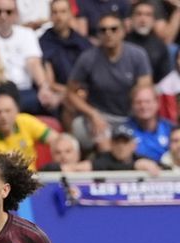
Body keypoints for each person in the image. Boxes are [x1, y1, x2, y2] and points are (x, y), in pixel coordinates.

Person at [68, 11, 152, 152]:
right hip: (100, 115)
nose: (108, 33)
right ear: (98, 34)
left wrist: (135, 120)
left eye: (114, 29)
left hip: (131, 116)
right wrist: (92, 114)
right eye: (103, 30)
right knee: (92, 136)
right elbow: (70, 93)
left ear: (123, 31)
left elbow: (145, 89)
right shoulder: (87, 58)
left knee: (132, 146)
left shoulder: (138, 55)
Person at [0, 0, 56, 115]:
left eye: (8, 12)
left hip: (24, 90)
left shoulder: (26, 34)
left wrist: (43, 87)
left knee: (47, 101)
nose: (3, 16)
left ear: (16, 14)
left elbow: (34, 63)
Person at [0, 92, 57, 169]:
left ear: (17, 111)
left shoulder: (26, 121)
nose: (3, 116)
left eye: (7, 111)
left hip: (31, 177)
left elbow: (56, 139)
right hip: (3, 179)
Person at [38, 0, 91, 111]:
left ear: (71, 14)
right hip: (61, 93)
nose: (59, 16)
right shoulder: (44, 41)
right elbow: (50, 83)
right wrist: (72, 93)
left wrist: (83, 91)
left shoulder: (81, 42)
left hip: (85, 91)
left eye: (63, 12)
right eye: (55, 12)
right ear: (50, 16)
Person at [122, 84, 174, 162]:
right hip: (136, 172)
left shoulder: (171, 129)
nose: (143, 106)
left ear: (157, 103)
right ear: (132, 105)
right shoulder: (123, 131)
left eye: (148, 101)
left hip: (168, 172)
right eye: (138, 102)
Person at [91, 123, 165, 173]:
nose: (121, 146)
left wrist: (154, 167)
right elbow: (85, 167)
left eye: (125, 142)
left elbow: (166, 169)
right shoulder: (104, 158)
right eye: (117, 142)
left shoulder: (140, 159)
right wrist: (133, 166)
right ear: (111, 144)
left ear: (133, 145)